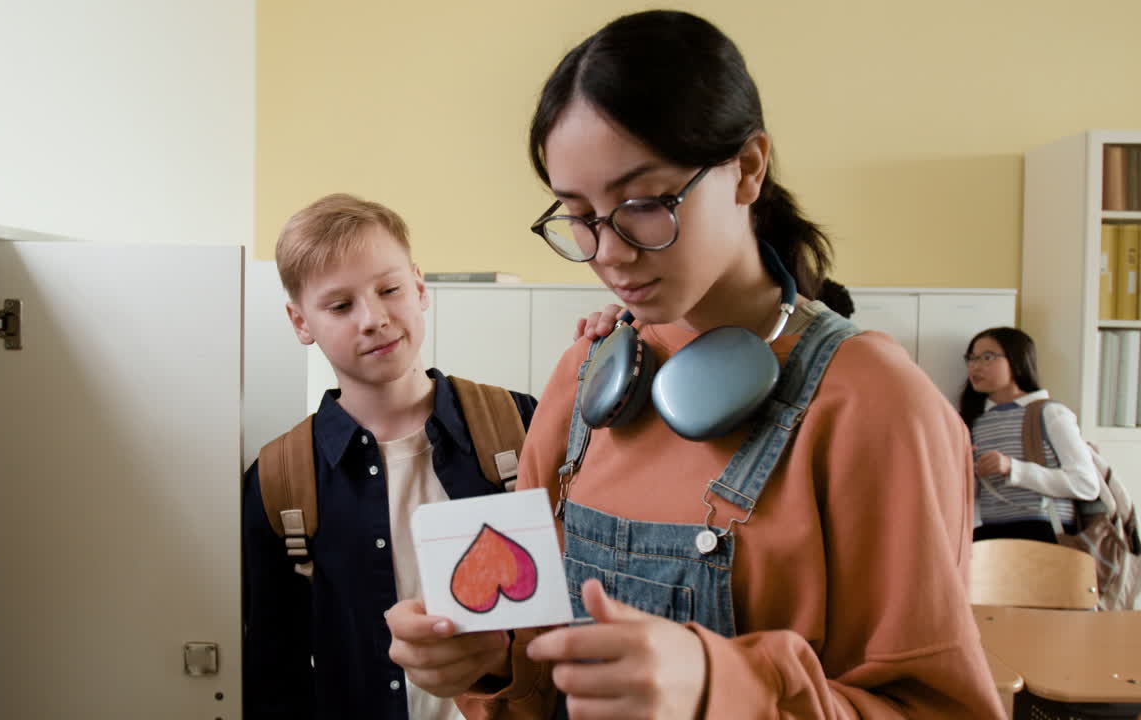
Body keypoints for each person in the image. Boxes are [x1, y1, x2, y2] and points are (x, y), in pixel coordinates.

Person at [387, 10, 1005, 719]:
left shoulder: (878, 407)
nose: (608, 252)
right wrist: (492, 661)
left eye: (644, 203)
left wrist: (718, 687)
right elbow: (539, 667)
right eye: (579, 214)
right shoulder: (582, 378)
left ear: (746, 169)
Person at [242, 193, 538, 720]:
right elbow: (274, 671)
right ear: (300, 321)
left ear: (420, 287)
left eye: (390, 289)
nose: (374, 318)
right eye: (340, 305)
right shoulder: (278, 479)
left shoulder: (522, 424)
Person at [961, 326, 1100, 544]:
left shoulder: (1049, 412)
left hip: (1045, 535)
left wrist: (1012, 467)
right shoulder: (974, 422)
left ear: (1017, 360)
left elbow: (1086, 485)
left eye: (987, 357)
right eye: (971, 358)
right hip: (991, 536)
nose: (975, 366)